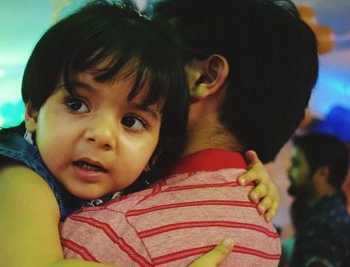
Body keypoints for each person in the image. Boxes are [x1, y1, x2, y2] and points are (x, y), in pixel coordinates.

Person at [0, 1, 274, 266]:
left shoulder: (120, 180)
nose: (102, 134)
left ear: (155, 152)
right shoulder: (19, 182)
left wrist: (249, 179)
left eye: (132, 122)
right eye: (77, 103)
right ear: (33, 112)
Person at [60, 0, 319, 266]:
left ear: (203, 77)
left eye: (157, 50)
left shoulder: (107, 233)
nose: (136, 61)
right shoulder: (265, 232)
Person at [287, 133, 350, 267]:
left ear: (322, 173)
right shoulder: (329, 213)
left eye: (296, 164)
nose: (289, 171)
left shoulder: (324, 226)